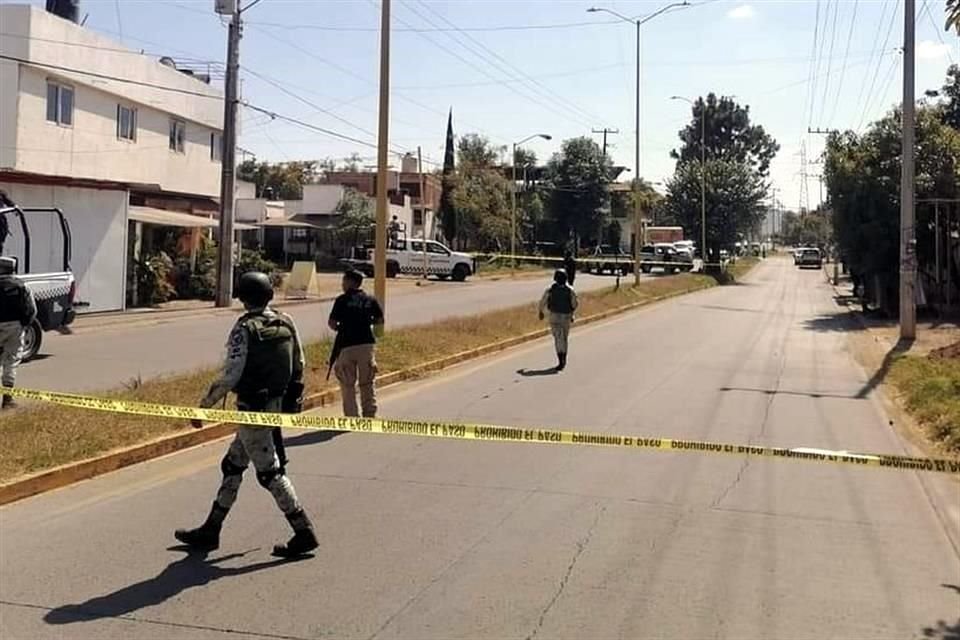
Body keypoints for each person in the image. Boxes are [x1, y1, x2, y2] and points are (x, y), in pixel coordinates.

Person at [175, 272, 318, 558]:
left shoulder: (244, 328)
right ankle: (211, 529)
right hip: (274, 405)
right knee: (233, 465)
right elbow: (299, 361)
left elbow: (231, 374)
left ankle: (303, 532)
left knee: (270, 474)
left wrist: (205, 405)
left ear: (243, 297)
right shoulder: (285, 320)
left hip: (252, 408)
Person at [329, 269, 384, 418]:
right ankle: (369, 413)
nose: (342, 284)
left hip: (346, 345)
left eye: (344, 281)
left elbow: (332, 323)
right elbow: (379, 320)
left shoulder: (341, 300)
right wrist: (372, 329)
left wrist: (343, 327)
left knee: (347, 384)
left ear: (350, 282)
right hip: (367, 344)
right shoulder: (370, 299)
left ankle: (352, 416)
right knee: (367, 382)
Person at [0, 256, 36, 409]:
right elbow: (32, 309)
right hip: (15, 327)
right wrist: (25, 324)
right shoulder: (22, 286)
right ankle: (7, 400)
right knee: (11, 361)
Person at [539, 269, 578, 371]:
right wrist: (572, 314)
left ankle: (560, 359)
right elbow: (574, 304)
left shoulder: (550, 290)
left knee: (558, 338)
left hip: (554, 316)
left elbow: (543, 301)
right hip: (566, 317)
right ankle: (563, 358)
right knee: (564, 338)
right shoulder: (570, 290)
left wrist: (541, 312)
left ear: (555, 279)